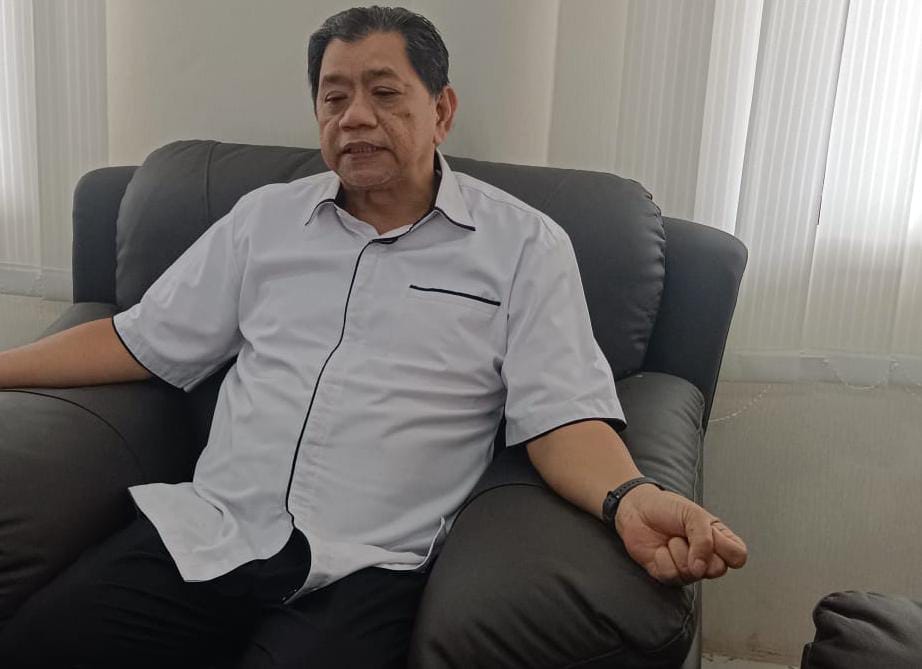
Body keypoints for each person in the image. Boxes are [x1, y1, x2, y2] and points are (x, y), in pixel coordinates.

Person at [0, 6, 747, 668]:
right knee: (38, 643)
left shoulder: (524, 246)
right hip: (214, 530)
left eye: (384, 93)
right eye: (334, 97)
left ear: (441, 109)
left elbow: (562, 415)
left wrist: (628, 498)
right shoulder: (265, 220)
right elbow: (139, 339)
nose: (355, 116)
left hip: (370, 563)